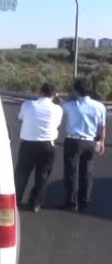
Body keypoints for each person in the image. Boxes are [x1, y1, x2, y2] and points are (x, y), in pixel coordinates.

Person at [14, 83, 63, 212]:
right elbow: (57, 124)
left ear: (40, 92)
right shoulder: (57, 109)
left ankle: (15, 200)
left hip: (28, 144)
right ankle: (35, 203)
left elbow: (20, 117)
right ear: (54, 95)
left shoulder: (28, 105)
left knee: (21, 174)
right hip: (47, 145)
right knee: (42, 176)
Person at [61, 78, 106, 212]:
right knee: (87, 171)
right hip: (90, 141)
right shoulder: (100, 106)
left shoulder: (70, 105)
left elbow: (59, 105)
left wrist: (69, 96)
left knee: (71, 172)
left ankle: (71, 201)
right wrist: (102, 142)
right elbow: (103, 127)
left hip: (73, 140)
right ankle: (84, 200)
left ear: (76, 90)